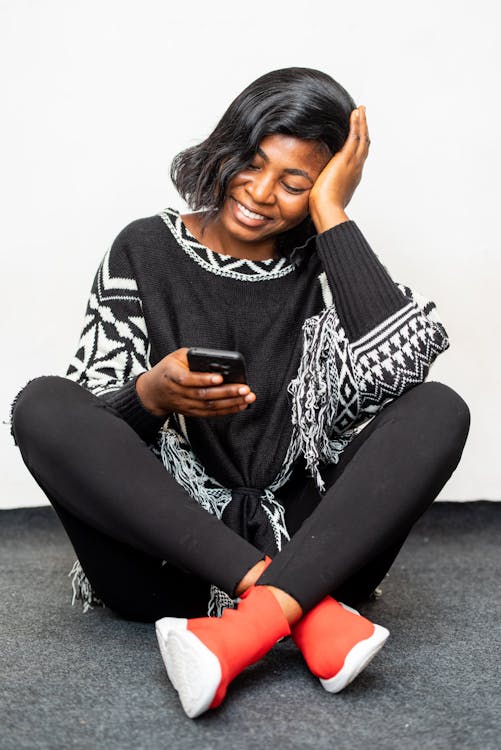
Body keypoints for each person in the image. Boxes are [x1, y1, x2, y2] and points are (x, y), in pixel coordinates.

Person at [9, 67, 470, 719]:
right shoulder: (143, 246)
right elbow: (82, 431)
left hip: (313, 549)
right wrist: (150, 395)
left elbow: (403, 367)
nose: (259, 193)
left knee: (440, 408)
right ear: (225, 149)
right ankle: (288, 610)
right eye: (251, 164)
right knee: (41, 405)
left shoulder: (329, 262)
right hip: (170, 561)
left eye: (295, 183)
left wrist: (334, 215)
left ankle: (244, 630)